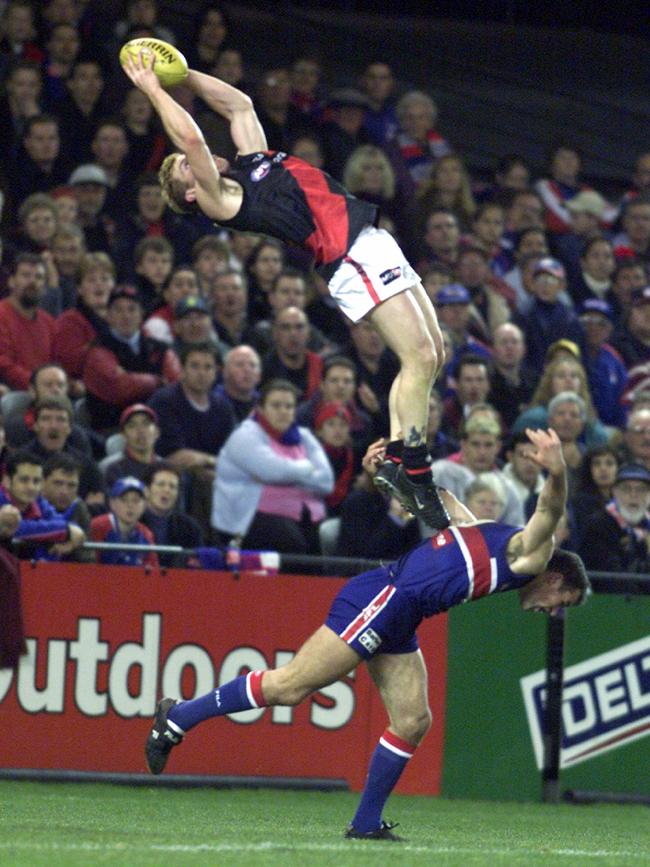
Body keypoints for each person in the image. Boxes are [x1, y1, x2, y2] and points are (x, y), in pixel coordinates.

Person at [144, 427, 589, 843]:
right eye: (561, 602)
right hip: (383, 601)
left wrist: (389, 469)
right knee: (290, 686)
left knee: (414, 721)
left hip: (400, 616)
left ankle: (365, 824)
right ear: (556, 579)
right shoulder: (533, 555)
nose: (552, 612)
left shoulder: (491, 537)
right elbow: (549, 510)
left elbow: (443, 501)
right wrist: (557, 469)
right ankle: (179, 717)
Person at [122, 54, 448, 528]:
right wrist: (154, 88)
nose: (194, 162)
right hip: (348, 252)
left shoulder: (254, 164)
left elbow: (238, 105)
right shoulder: (223, 200)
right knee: (418, 355)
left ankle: (398, 456)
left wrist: (181, 72)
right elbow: (190, 137)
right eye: (184, 171)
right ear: (193, 194)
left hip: (371, 241)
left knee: (433, 354)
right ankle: (412, 467)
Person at [211, 378, 334, 554]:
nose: (283, 412)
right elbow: (273, 472)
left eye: (289, 406)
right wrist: (307, 467)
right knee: (293, 544)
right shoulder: (245, 435)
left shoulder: (305, 436)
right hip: (249, 517)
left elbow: (326, 482)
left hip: (306, 515)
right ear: (261, 409)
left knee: (322, 546)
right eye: (276, 406)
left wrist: (285, 476)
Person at [0, 448, 86, 560]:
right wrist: (67, 531)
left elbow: (61, 522)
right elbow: (16, 528)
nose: (31, 487)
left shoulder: (39, 502)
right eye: (24, 480)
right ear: (7, 481)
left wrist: (75, 530)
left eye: (36, 481)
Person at [579, 463, 650, 574]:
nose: (633, 494)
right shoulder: (599, 525)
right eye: (626, 489)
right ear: (614, 492)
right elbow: (610, 579)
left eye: (641, 489)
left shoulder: (647, 525)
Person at [0, 253, 55, 391]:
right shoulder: (1, 314)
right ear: (11, 281)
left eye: (39, 277)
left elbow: (57, 360)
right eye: (26, 275)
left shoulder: (49, 322)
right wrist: (39, 384)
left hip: (46, 392)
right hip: (11, 393)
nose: (33, 282)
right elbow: (4, 364)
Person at [141, 462, 202, 567]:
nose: (167, 490)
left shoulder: (189, 527)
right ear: (146, 490)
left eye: (172, 487)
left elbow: (198, 563)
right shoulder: (134, 522)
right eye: (161, 484)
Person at [90, 476, 158, 567]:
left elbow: (153, 573)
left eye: (136, 500)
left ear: (144, 505)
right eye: (124, 500)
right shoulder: (97, 526)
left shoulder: (146, 535)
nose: (130, 505)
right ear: (112, 503)